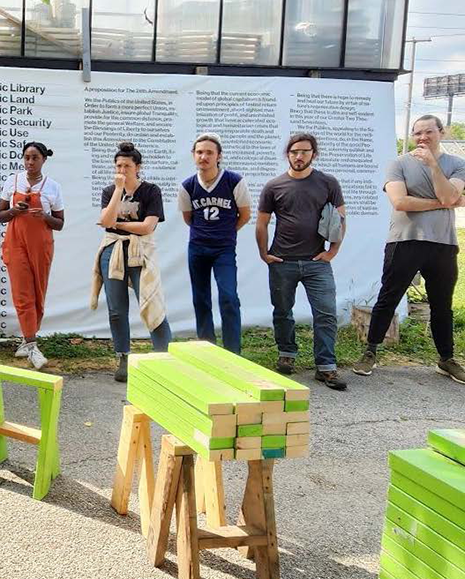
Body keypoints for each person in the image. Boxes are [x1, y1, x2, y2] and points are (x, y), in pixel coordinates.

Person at [353, 115, 465, 384]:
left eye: (428, 132)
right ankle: (371, 351)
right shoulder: (399, 164)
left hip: (443, 243)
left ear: (442, 132)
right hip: (405, 240)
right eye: (417, 133)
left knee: (442, 305)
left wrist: (433, 166)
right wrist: (443, 203)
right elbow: (400, 202)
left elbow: (451, 196)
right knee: (388, 298)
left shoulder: (457, 164)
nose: (422, 137)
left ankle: (446, 359)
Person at [256, 132, 348, 391]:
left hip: (317, 262)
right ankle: (287, 353)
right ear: (288, 154)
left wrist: (332, 252)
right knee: (282, 312)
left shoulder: (328, 183)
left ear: (314, 155)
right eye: (294, 151)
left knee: (326, 313)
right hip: (282, 261)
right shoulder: (274, 186)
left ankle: (326, 367)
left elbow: (340, 219)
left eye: (305, 152)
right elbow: (262, 223)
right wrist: (264, 253)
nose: (299, 156)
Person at [91, 142, 172, 383]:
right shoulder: (109, 191)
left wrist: (118, 224)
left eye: (127, 165)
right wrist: (118, 191)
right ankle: (123, 357)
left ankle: (164, 357)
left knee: (151, 301)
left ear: (138, 167)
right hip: (113, 250)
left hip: (141, 250)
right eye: (118, 165)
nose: (122, 170)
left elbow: (147, 226)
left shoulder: (150, 191)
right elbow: (105, 221)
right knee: (116, 309)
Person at [178, 133, 251, 354]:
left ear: (219, 156)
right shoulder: (187, 186)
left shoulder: (234, 181)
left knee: (228, 296)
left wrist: (226, 232)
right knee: (200, 298)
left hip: (223, 249)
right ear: (193, 155)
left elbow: (245, 215)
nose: (204, 156)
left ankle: (232, 352)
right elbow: (188, 218)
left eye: (209, 152)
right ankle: (207, 348)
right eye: (199, 152)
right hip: (197, 248)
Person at [0, 141, 64, 369]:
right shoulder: (12, 181)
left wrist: (44, 216)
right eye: (27, 157)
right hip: (16, 243)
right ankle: (32, 345)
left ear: (44, 160)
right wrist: (15, 211)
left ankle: (28, 338)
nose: (30, 162)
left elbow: (60, 223)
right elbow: (1, 216)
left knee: (38, 293)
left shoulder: (52, 186)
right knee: (22, 293)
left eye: (35, 158)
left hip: (41, 245)